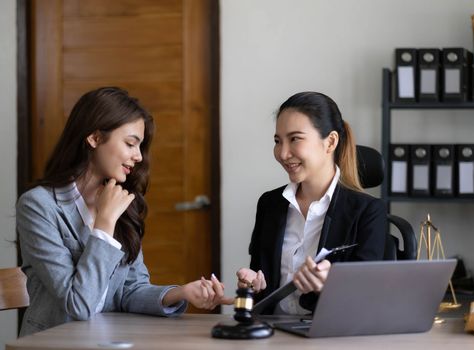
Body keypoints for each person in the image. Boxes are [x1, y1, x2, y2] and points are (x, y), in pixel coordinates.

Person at [17, 87, 233, 336]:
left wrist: (181, 292)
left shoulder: (121, 201)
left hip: (107, 339)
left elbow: (130, 290)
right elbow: (77, 304)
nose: (138, 156)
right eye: (131, 144)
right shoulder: (38, 206)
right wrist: (105, 224)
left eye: (140, 147)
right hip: (54, 342)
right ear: (94, 138)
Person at [236, 92, 386, 315]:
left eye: (295, 139)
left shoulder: (368, 212)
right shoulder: (270, 204)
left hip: (329, 336)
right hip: (271, 335)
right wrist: (252, 284)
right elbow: (261, 283)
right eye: (278, 141)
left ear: (331, 142)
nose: (283, 153)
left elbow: (369, 298)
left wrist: (329, 286)